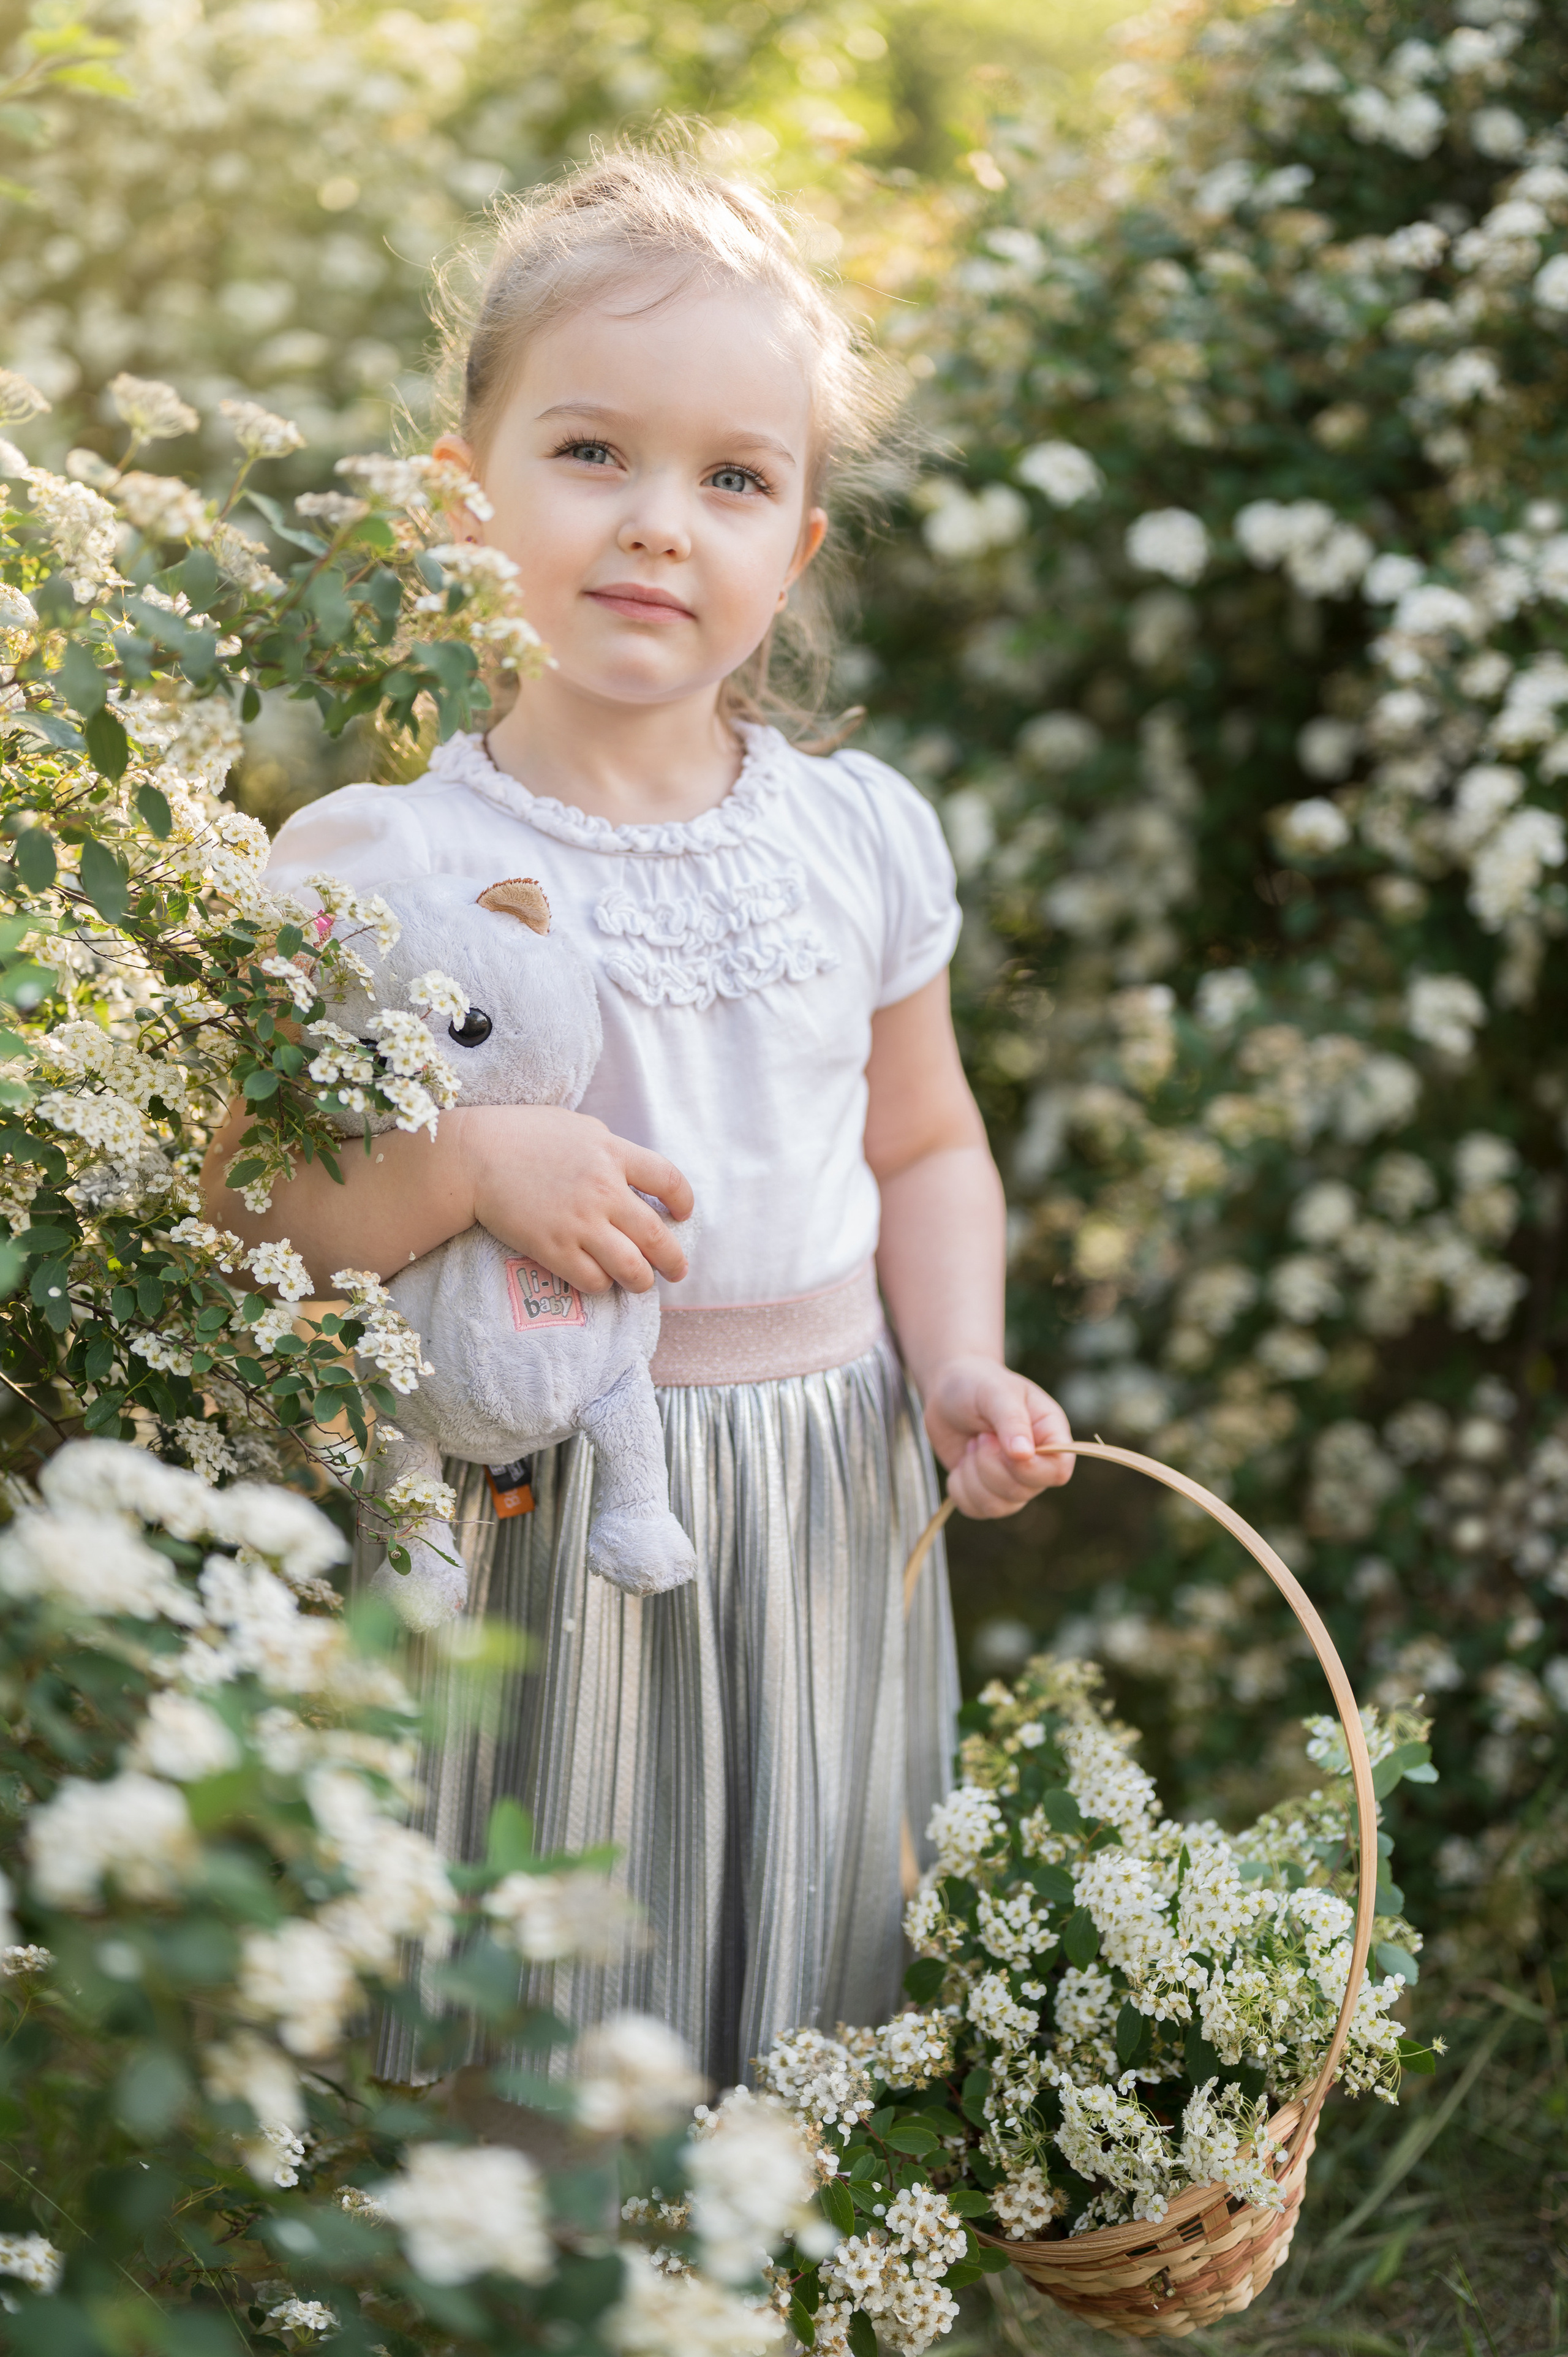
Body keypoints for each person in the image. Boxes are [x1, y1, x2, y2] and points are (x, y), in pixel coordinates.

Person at [206, 145, 1074, 2089]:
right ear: (466, 501)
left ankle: (777, 2213)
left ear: (799, 546)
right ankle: (507, 2219)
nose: (658, 525)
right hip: (525, 1510)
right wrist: (462, 1165)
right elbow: (250, 1207)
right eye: (592, 452)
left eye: (733, 480)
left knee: (804, 1932)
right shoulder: (389, 863)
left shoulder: (858, 838)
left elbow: (925, 1144)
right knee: (535, 1956)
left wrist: (961, 1368)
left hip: (823, 1486)